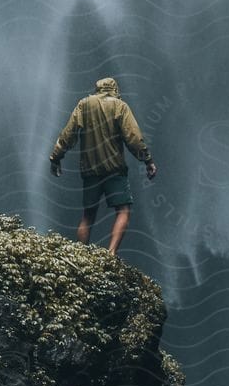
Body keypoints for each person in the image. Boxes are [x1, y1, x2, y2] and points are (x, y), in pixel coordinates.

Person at [49, 75, 158, 256]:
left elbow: (68, 134)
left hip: (90, 169)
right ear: (115, 89)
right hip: (114, 169)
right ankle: (111, 253)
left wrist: (56, 158)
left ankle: (80, 255)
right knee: (123, 210)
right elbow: (133, 137)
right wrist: (147, 160)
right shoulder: (119, 106)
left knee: (88, 215)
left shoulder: (83, 105)